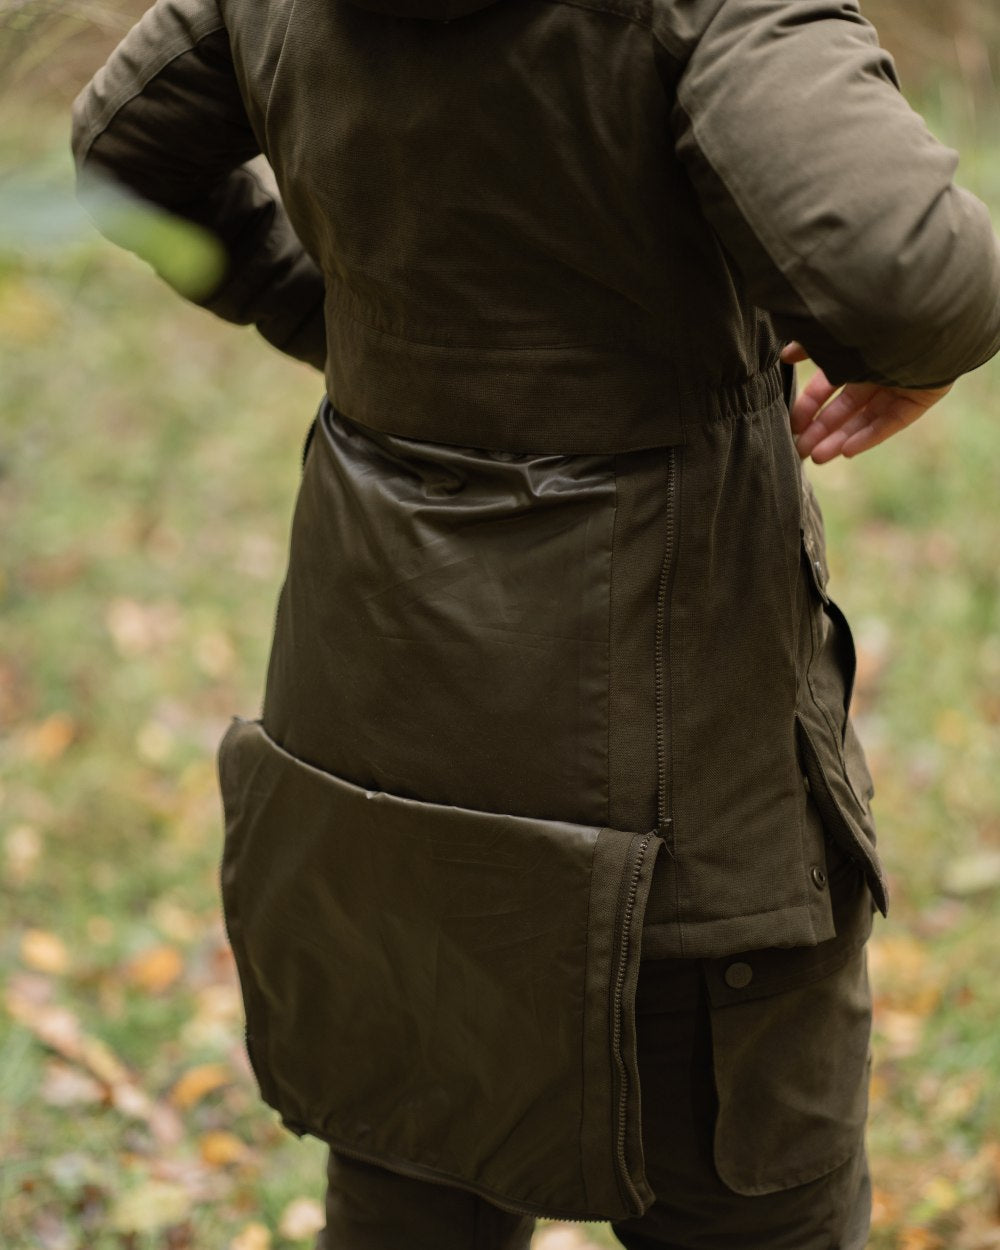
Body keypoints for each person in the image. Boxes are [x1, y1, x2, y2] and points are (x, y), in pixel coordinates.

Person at [72, 0, 1000, 1244]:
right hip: (689, 838)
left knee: (410, 1191)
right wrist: (927, 347)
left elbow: (120, 152)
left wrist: (344, 324)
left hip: (383, 786)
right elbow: (912, 276)